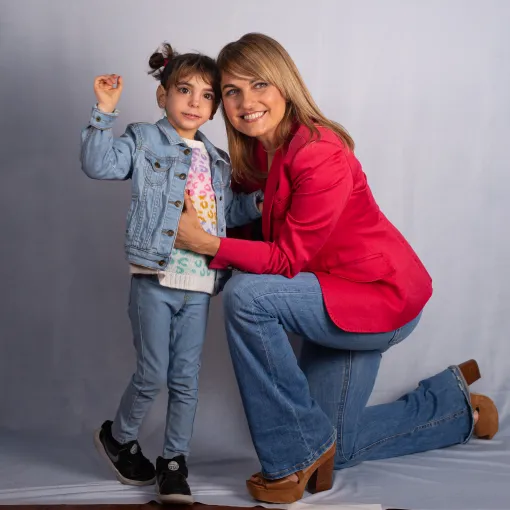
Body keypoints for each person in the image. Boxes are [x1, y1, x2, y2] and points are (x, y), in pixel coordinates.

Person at [173, 33, 499, 504]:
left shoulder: (319, 152)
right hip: (327, 298)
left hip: (379, 300)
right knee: (337, 447)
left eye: (259, 84)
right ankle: (455, 409)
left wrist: (206, 244)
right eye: (232, 91)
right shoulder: (253, 155)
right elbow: (246, 234)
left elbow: (285, 260)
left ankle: (290, 459)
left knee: (248, 297)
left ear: (284, 84)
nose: (247, 102)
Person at [80, 42, 263, 504]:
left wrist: (263, 199)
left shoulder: (217, 159)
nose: (194, 103)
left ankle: (175, 461)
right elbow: (99, 164)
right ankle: (118, 438)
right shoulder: (145, 140)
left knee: (186, 379)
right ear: (163, 95)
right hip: (154, 278)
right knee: (152, 374)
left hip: (200, 284)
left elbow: (228, 213)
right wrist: (105, 112)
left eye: (206, 96)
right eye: (184, 91)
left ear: (215, 108)